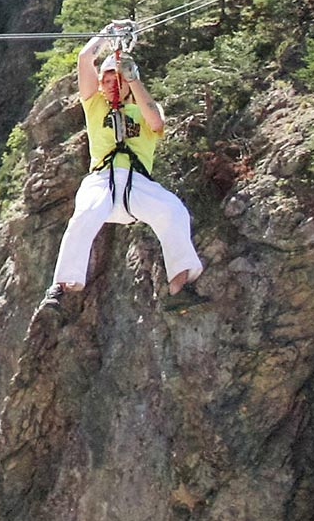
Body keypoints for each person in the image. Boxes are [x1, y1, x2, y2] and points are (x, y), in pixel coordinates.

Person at [41, 22, 203, 313]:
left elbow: (156, 122)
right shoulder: (95, 105)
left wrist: (133, 78)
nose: (109, 84)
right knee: (85, 215)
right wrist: (105, 35)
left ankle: (180, 286)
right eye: (105, 80)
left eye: (116, 79)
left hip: (137, 183)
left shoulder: (144, 108)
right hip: (101, 180)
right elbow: (83, 60)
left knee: (173, 211)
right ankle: (61, 289)